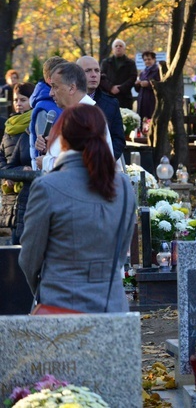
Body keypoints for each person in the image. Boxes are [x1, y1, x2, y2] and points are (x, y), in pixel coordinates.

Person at [19, 105, 136, 312]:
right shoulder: (124, 186)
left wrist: (45, 289)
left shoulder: (47, 186)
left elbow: (29, 257)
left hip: (61, 306)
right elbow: (119, 254)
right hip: (113, 307)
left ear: (61, 137)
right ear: (102, 134)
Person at [35, 62, 116, 172]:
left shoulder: (86, 117)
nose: (51, 93)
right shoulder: (76, 114)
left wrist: (46, 163)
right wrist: (50, 146)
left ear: (72, 88)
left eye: (55, 87)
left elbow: (86, 164)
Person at [0, 83, 34, 244]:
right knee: (12, 240)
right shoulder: (9, 125)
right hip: (10, 186)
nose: (18, 103)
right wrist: (8, 173)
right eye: (16, 100)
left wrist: (19, 171)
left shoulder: (34, 123)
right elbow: (1, 154)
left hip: (28, 188)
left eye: (23, 100)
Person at [78, 56, 125, 161]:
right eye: (88, 71)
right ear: (76, 75)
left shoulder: (111, 103)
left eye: (97, 70)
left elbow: (118, 139)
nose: (94, 75)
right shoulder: (66, 101)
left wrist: (107, 160)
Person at [29, 56, 65, 170]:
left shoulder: (61, 102)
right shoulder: (44, 108)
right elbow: (44, 149)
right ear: (50, 79)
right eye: (63, 74)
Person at [100, 38, 138, 109]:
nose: (118, 47)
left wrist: (120, 88)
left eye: (120, 46)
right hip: (108, 96)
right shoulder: (105, 62)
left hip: (125, 97)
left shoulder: (130, 63)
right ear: (113, 49)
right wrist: (111, 87)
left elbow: (133, 77)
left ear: (124, 49)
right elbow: (101, 78)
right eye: (116, 46)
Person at [135, 51, 160, 122]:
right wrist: (137, 84)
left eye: (149, 59)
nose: (147, 61)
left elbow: (160, 85)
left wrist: (149, 84)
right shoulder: (142, 73)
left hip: (152, 101)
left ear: (154, 59)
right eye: (145, 60)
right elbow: (138, 90)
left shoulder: (158, 71)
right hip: (142, 101)